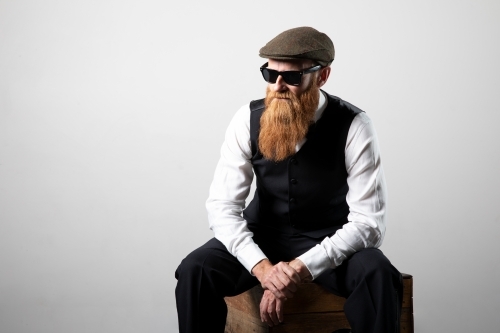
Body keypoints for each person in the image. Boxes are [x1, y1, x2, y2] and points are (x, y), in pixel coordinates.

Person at [175, 26, 403, 333]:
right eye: (270, 75)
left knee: (378, 273)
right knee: (196, 270)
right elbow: (222, 207)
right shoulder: (246, 119)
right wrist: (263, 268)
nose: (278, 86)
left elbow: (369, 224)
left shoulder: (355, 125)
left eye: (292, 77)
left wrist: (300, 268)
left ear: (322, 77)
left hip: (328, 240)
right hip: (262, 236)